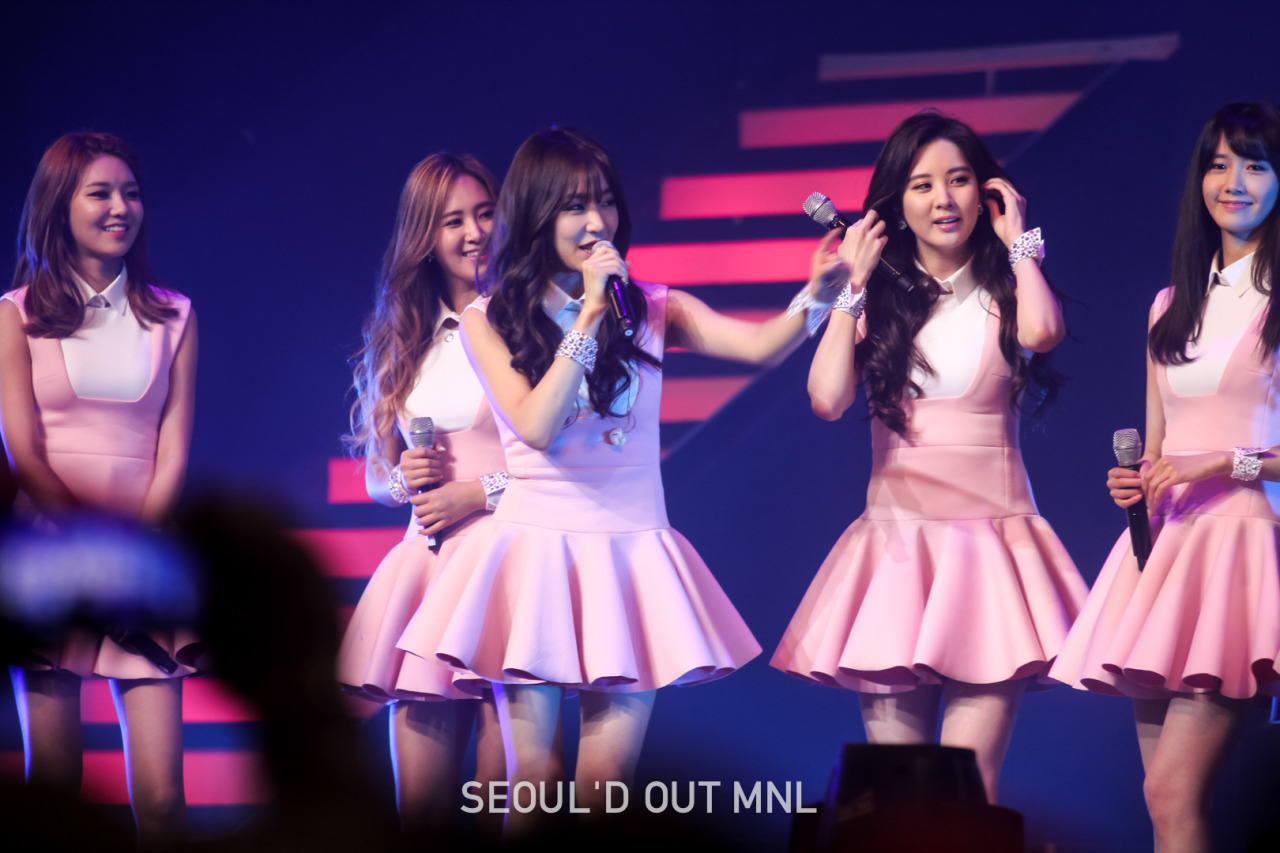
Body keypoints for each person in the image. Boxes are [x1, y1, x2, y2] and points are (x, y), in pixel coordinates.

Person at [397, 126, 836, 835]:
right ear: (539, 214)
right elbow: (535, 425)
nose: (596, 220)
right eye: (575, 205)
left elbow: (756, 345)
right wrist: (592, 314)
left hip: (631, 553)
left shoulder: (654, 306)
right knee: (535, 782)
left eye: (603, 201)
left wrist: (818, 295)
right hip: (533, 555)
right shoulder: (489, 319)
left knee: (604, 793)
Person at [771, 111, 1087, 803]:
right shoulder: (875, 298)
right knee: (898, 799)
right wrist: (852, 284)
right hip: (897, 555)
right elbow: (826, 398)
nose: (943, 199)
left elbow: (1043, 331)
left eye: (959, 180)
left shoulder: (1008, 287)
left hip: (992, 555)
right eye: (922, 185)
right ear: (897, 202)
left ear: (986, 192)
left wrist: (1020, 240)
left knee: (967, 793)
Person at [1051, 101, 1280, 853]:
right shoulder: (1168, 305)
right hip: (1167, 551)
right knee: (1162, 801)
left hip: (1245, 549)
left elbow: (1217, 454)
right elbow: (1157, 450)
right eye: (1218, 164)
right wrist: (1137, 482)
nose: (1234, 182)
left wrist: (1225, 461)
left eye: (1255, 165)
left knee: (1173, 792)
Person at [0, 131, 198, 844]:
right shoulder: (15, 313)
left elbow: (172, 451)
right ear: (61, 204)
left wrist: (129, 554)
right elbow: (22, 449)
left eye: (131, 193)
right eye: (101, 193)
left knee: (163, 799)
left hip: (142, 558)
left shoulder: (174, 314)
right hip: (46, 555)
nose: (121, 208)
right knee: (54, 786)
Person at [335, 153, 507, 835]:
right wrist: (404, 477)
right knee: (422, 815)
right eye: (453, 221)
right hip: (429, 573)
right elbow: (378, 477)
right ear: (424, 237)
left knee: (502, 804)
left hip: (508, 568)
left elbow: (564, 468)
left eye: (485, 214)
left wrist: (478, 492)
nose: (475, 233)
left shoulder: (529, 325)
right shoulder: (404, 335)